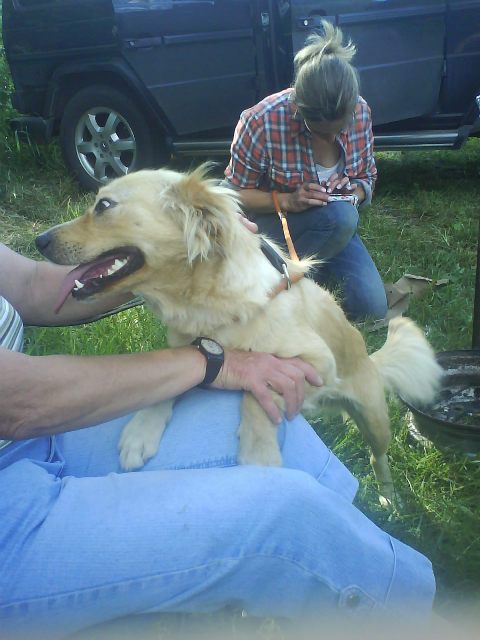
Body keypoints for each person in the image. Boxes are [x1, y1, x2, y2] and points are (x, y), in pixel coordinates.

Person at [0, 239, 434, 639]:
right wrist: (209, 362)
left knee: (270, 423)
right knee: (287, 515)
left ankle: (340, 566)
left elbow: (32, 284)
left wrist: (177, 256)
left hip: (32, 442)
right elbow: (15, 402)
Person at [224, 20, 388, 322]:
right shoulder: (260, 121)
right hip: (274, 228)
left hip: (334, 230)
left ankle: (305, 273)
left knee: (371, 309)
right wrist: (287, 200)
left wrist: (355, 191)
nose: (332, 138)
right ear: (297, 108)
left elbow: (367, 178)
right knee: (342, 218)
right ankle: (268, 286)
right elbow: (232, 195)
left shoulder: (361, 111)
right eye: (321, 132)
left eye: (340, 129)